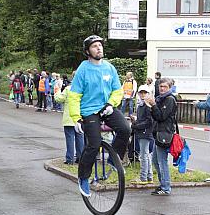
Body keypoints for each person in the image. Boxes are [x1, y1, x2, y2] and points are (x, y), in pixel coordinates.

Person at [68, 35, 131, 197]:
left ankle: (113, 158)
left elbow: (118, 90)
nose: (99, 48)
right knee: (94, 144)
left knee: (125, 129)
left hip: (106, 108)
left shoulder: (109, 68)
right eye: (95, 46)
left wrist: (111, 104)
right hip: (89, 110)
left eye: (100, 46)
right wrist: (76, 118)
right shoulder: (83, 69)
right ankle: (83, 177)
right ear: (88, 51)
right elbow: (74, 95)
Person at [147, 78, 177, 195]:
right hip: (159, 132)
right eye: (160, 86)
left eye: (165, 87)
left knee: (161, 160)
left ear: (169, 88)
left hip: (165, 133)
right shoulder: (161, 99)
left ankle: (165, 187)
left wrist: (153, 105)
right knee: (155, 160)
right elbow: (156, 115)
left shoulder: (169, 99)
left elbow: (161, 116)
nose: (162, 89)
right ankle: (163, 183)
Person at [55, 73, 84, 164]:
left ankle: (70, 159)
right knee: (80, 138)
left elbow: (59, 99)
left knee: (70, 138)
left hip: (69, 118)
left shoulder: (68, 89)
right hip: (80, 117)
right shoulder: (84, 90)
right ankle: (80, 157)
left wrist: (58, 90)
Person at [131, 85, 155, 184]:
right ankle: (149, 177)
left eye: (145, 92)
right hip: (143, 132)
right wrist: (136, 121)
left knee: (144, 155)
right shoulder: (140, 105)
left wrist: (136, 125)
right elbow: (143, 120)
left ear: (148, 94)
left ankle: (143, 177)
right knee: (146, 155)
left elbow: (149, 121)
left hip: (145, 132)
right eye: (141, 92)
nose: (143, 94)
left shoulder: (147, 105)